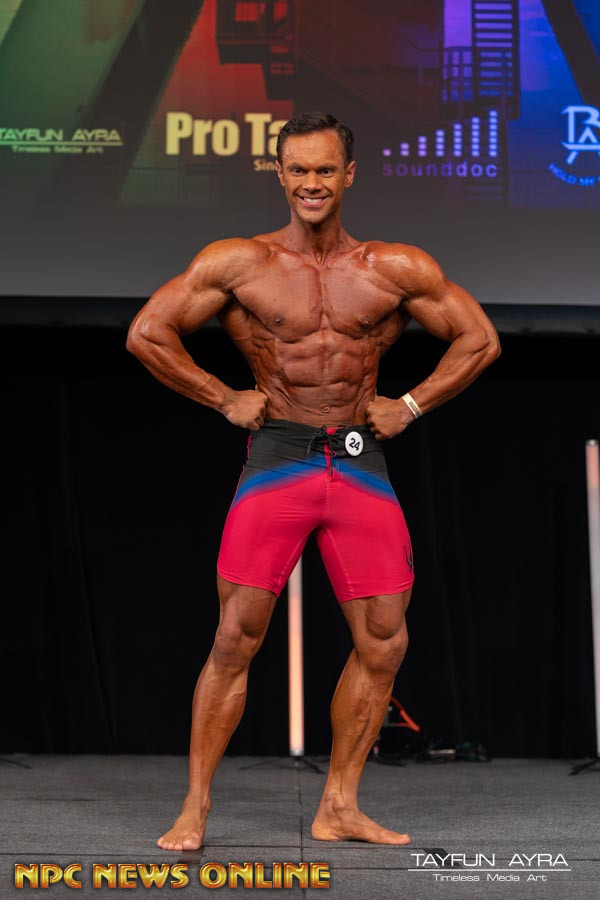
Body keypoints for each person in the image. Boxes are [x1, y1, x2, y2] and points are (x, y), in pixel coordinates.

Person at [126, 112, 500, 850]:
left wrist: (411, 405)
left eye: (325, 169)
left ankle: (339, 806)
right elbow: (147, 333)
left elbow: (479, 339)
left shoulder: (393, 268)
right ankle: (195, 807)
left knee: (384, 641)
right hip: (279, 459)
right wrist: (222, 397)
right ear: (279, 174)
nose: (311, 183)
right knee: (236, 635)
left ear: (348, 175)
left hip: (358, 459)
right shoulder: (241, 263)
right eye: (298, 169)